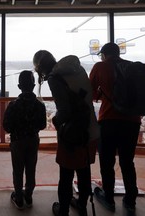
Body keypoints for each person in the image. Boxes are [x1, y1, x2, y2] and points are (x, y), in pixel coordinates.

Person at [33, 50, 99, 216]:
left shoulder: (55, 78)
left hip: (72, 132)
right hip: (90, 128)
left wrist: (55, 120)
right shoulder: (78, 70)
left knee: (66, 173)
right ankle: (81, 205)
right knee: (84, 171)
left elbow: (65, 110)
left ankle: (63, 209)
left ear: (41, 67)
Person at [89, 42, 141, 213]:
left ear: (104, 55)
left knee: (107, 161)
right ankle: (130, 200)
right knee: (127, 161)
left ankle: (109, 197)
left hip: (109, 120)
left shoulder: (100, 67)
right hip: (132, 121)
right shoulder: (132, 67)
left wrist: (102, 93)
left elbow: (91, 93)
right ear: (118, 53)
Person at [3, 70, 47, 210]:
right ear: (34, 86)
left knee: (18, 170)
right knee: (30, 168)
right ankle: (28, 196)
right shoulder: (40, 106)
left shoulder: (13, 105)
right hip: (33, 140)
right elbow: (42, 125)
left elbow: (7, 127)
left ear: (19, 86)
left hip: (17, 141)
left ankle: (19, 198)